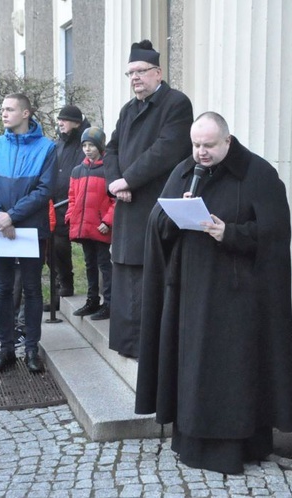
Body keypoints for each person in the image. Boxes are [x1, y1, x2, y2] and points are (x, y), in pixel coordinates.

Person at [135, 112, 292, 474]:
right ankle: (190, 439)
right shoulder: (183, 172)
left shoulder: (259, 174)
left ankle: (237, 446)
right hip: (188, 297)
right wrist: (173, 215)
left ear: (227, 141)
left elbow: (274, 237)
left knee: (230, 375)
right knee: (192, 371)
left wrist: (231, 234)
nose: (201, 153)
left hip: (237, 301)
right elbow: (156, 223)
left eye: (208, 145)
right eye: (195, 145)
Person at [104, 39, 193, 359]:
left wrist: (129, 180)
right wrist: (115, 182)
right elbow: (111, 148)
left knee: (151, 276)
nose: (135, 78)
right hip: (127, 204)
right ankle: (128, 344)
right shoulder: (128, 110)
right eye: (129, 74)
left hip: (156, 205)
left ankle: (151, 347)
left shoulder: (176, 104)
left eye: (140, 72)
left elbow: (167, 150)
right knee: (126, 274)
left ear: (158, 72)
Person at [0, 93, 56, 374]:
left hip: (31, 229)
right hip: (0, 229)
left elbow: (45, 189)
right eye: (2, 109)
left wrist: (12, 215)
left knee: (33, 290)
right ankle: (6, 348)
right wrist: (0, 216)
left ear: (26, 113)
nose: (4, 114)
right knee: (3, 290)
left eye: (9, 109)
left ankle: (32, 348)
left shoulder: (47, 147)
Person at [66, 126, 115, 320]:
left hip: (101, 227)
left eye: (91, 145)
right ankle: (92, 300)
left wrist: (108, 221)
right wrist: (71, 216)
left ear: (100, 146)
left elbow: (115, 201)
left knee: (104, 264)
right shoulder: (78, 171)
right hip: (83, 226)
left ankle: (109, 303)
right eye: (84, 145)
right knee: (89, 264)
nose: (87, 149)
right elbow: (72, 196)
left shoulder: (108, 170)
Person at [45, 104, 91, 307]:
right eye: (59, 120)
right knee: (52, 249)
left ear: (77, 123)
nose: (60, 123)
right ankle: (60, 286)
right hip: (54, 205)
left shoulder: (85, 144)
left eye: (64, 120)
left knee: (61, 246)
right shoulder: (57, 144)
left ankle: (72, 285)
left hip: (75, 204)